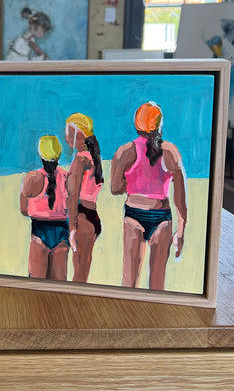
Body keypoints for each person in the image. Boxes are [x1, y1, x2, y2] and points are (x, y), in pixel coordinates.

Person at [110, 102, 187, 291]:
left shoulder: (124, 151)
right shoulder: (171, 151)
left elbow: (115, 188)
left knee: (129, 282)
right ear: (159, 125)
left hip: (133, 216)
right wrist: (181, 230)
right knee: (157, 285)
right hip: (162, 218)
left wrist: (135, 181)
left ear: (136, 124)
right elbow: (180, 198)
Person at [19, 135, 69, 280]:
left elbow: (23, 210)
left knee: (36, 283)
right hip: (62, 233)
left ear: (40, 154)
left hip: (39, 232)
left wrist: (39, 211)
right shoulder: (66, 177)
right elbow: (71, 208)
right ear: (59, 155)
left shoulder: (32, 178)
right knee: (58, 285)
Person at [65, 113, 104, 283]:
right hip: (92, 216)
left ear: (79, 134)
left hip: (81, 217)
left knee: (78, 275)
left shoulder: (80, 159)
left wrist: (72, 227)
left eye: (69, 132)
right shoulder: (94, 158)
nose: (66, 137)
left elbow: (73, 195)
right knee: (83, 272)